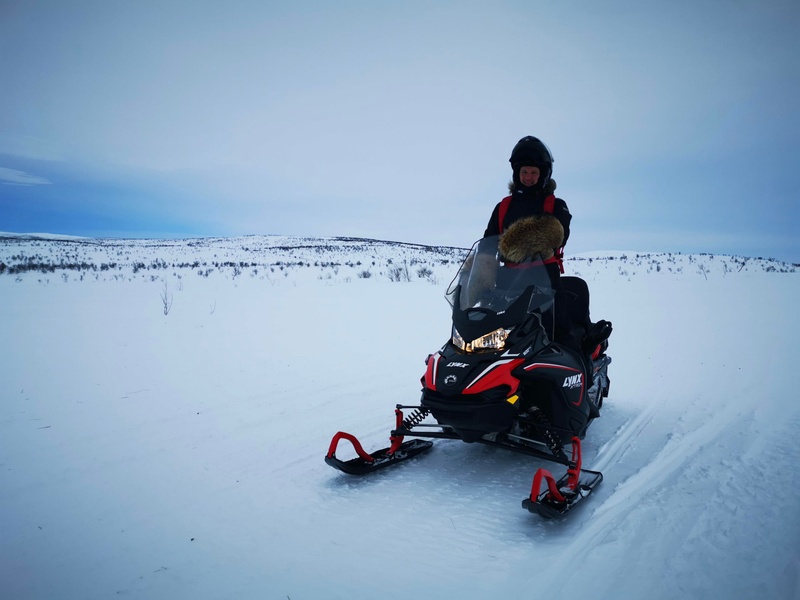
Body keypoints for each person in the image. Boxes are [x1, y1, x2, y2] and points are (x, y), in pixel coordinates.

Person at [483, 135, 611, 359]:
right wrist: (479, 282)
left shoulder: (556, 206)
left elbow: (557, 237)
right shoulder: (503, 207)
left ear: (543, 173)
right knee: (488, 340)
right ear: (516, 173)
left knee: (560, 339)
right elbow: (487, 246)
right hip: (506, 285)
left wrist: (515, 244)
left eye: (534, 172)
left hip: (545, 283)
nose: (529, 177)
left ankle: (584, 368)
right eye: (524, 172)